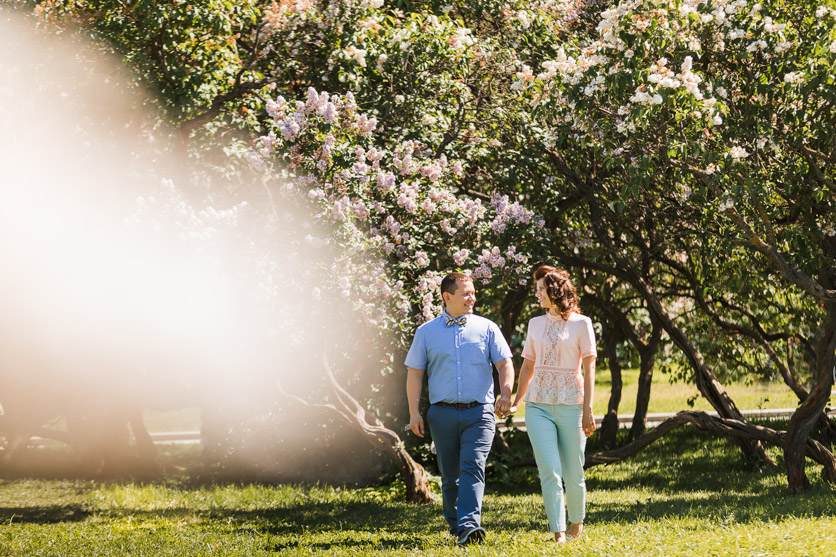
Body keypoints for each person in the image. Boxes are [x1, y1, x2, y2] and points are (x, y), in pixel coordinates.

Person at [405, 272, 515, 545]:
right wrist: (414, 413)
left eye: (473, 292)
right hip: (441, 414)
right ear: (447, 297)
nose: (472, 298)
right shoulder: (426, 332)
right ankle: (458, 528)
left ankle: (469, 524)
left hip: (479, 413)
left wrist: (505, 392)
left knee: (473, 467)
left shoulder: (487, 328)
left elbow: (504, 364)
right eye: (466, 293)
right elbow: (415, 373)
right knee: (450, 475)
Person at [509, 266, 597, 544]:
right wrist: (516, 400)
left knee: (573, 472)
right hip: (538, 406)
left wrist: (588, 409)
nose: (537, 294)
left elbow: (590, 367)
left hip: (572, 405)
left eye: (540, 289)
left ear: (555, 290)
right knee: (549, 469)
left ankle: (576, 524)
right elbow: (527, 366)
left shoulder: (582, 324)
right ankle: (558, 531)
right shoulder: (535, 324)